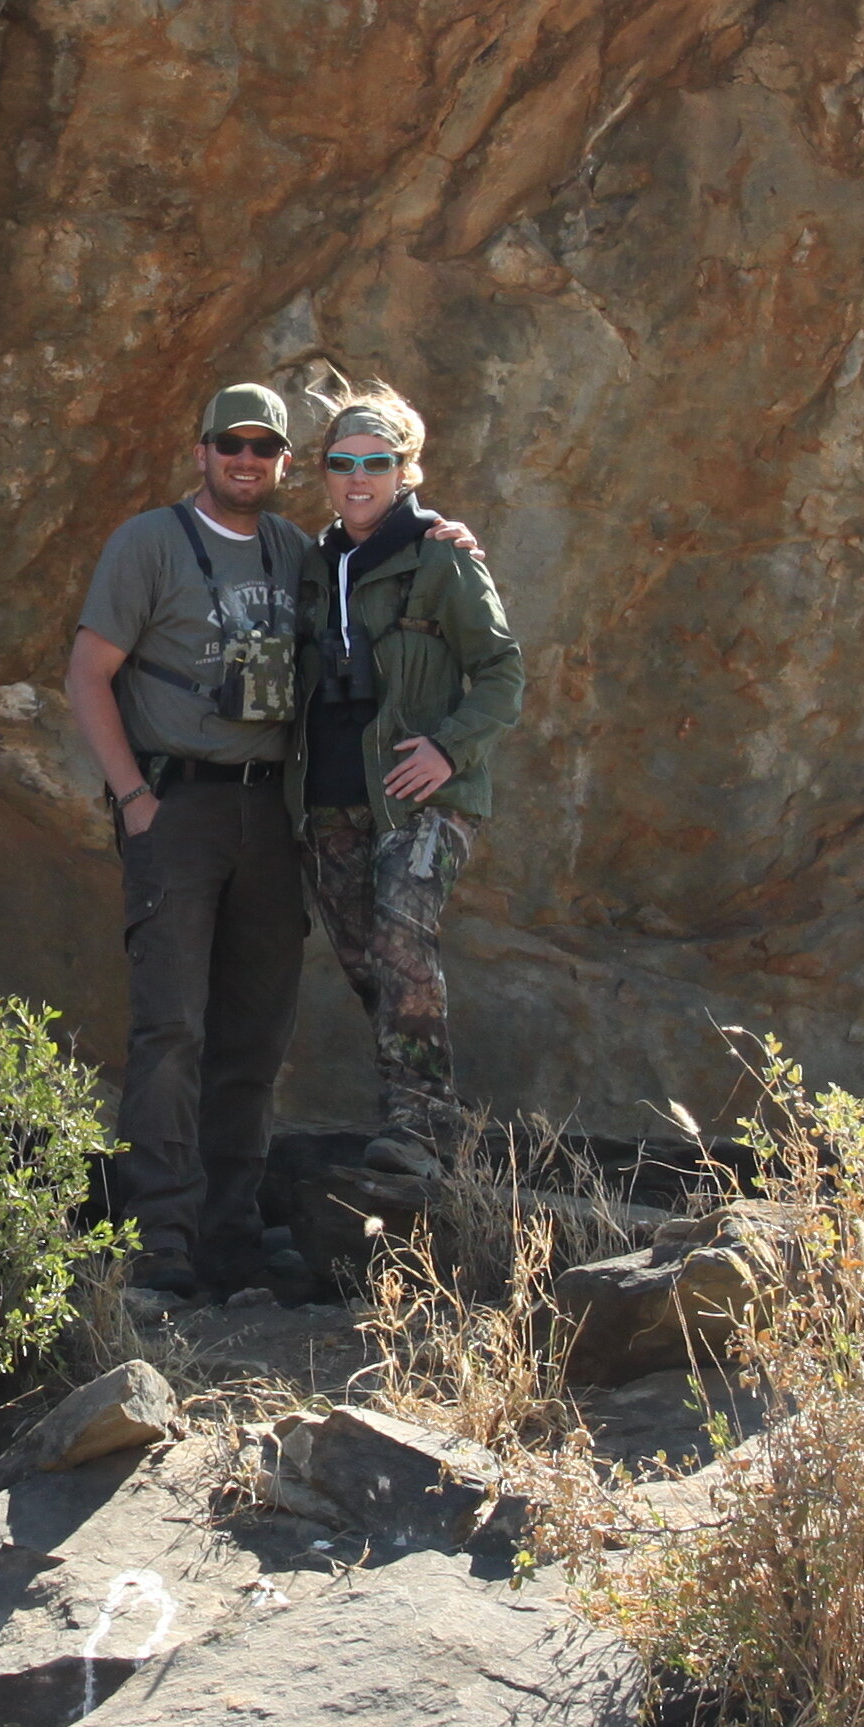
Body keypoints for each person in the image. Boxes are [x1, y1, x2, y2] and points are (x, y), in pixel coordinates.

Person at [65, 383, 319, 1301]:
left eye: (264, 447)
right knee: (171, 1027)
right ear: (202, 451)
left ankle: (232, 1241)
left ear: (285, 462)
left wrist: (446, 535)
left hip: (269, 815)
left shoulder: (296, 550)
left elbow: (381, 564)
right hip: (176, 809)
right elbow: (88, 674)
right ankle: (158, 1243)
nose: (246, 460)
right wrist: (132, 796)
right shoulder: (149, 542)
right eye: (230, 444)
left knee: (254, 1033)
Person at [294, 385, 520, 1198]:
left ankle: (418, 1131)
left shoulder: (443, 554)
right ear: (324, 471)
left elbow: (503, 674)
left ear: (405, 468)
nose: (359, 478)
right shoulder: (312, 565)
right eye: (343, 463)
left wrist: (450, 751)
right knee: (365, 962)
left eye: (377, 463)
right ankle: (434, 1124)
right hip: (329, 801)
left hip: (421, 796)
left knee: (401, 935)